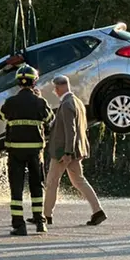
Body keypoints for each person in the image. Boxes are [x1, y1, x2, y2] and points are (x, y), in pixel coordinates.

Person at [39, 75, 107, 227]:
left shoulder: (67, 104)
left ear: (59, 87)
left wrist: (67, 152)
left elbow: (71, 130)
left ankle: (46, 216)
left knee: (52, 182)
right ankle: (98, 211)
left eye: (55, 88)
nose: (55, 92)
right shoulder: (77, 102)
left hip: (63, 152)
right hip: (75, 150)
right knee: (79, 181)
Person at [0, 64, 54, 236]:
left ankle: (19, 225)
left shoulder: (10, 102)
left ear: (18, 83)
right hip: (35, 152)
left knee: (16, 188)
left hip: (15, 152)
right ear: (34, 82)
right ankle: (40, 222)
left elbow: (1, 115)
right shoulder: (40, 102)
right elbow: (50, 118)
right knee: (37, 186)